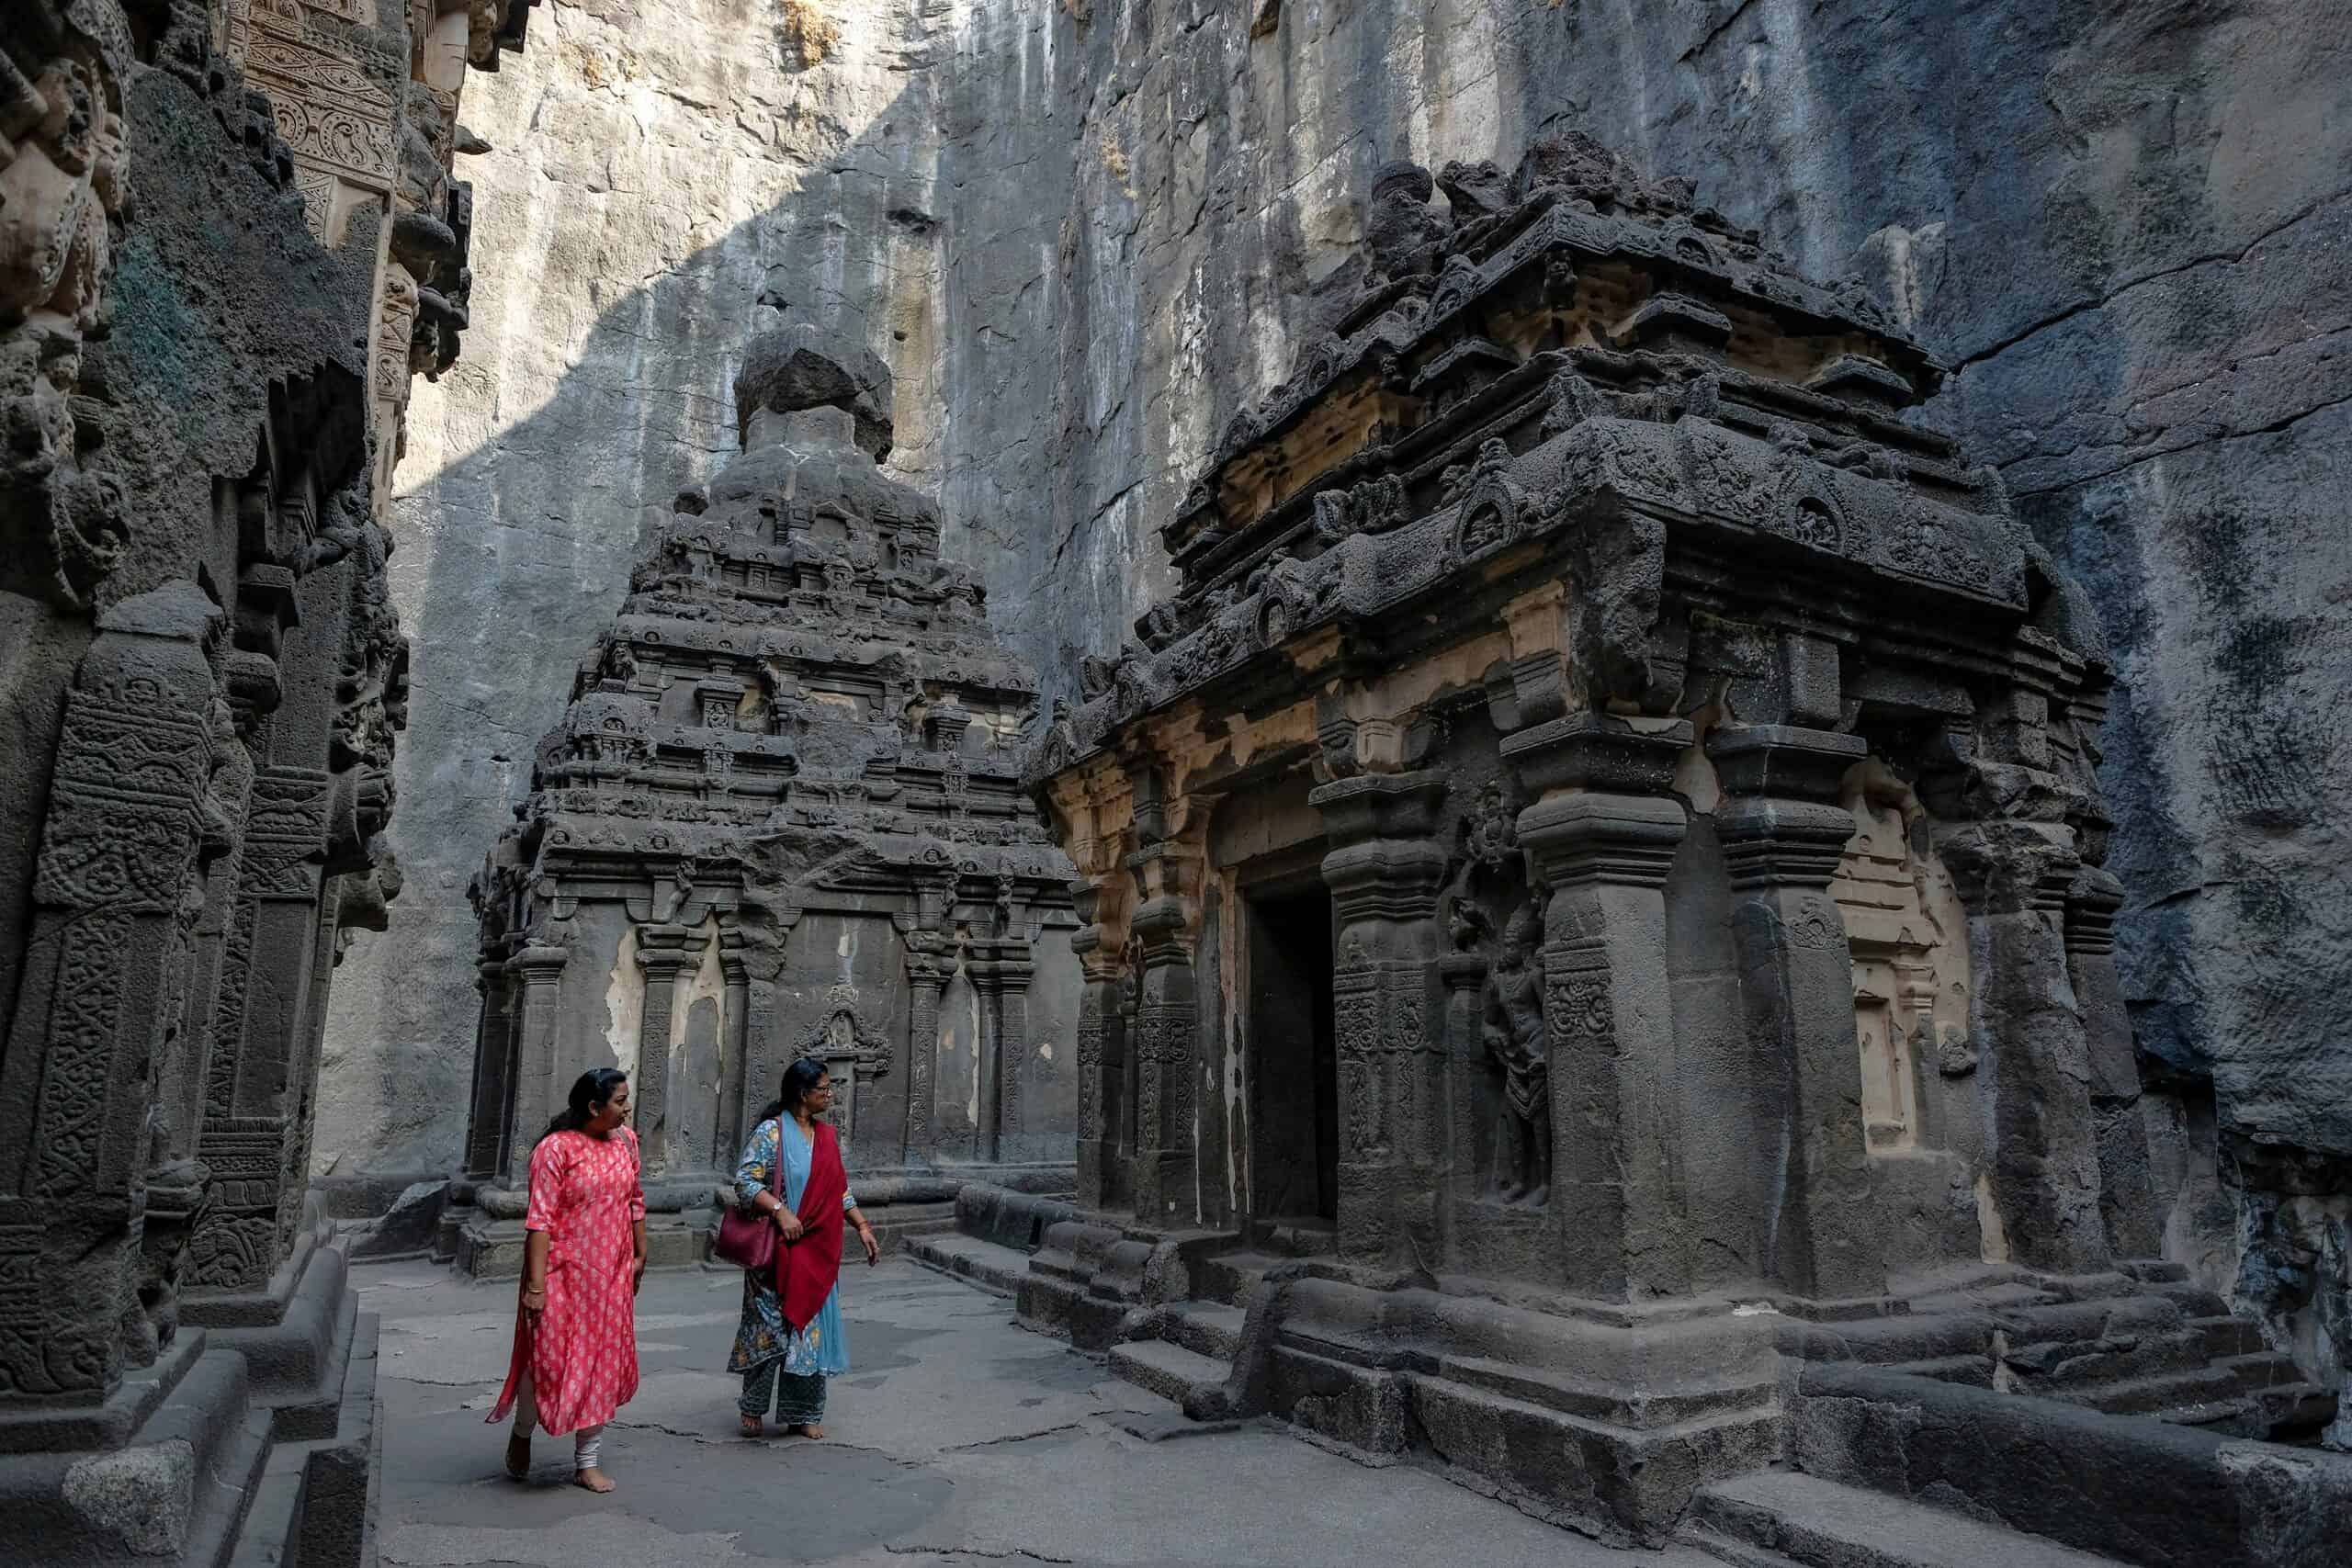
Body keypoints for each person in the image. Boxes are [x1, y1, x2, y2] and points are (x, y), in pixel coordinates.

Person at [489, 1068, 648, 1492]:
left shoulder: (626, 1143)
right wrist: (536, 1289)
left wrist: (640, 1252)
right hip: (560, 1274)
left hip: (610, 1274)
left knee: (602, 1361)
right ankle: (523, 1430)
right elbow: (538, 1222)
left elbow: (635, 1200)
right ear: (594, 1108)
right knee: (546, 1361)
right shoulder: (554, 1150)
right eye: (619, 1101)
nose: (627, 1108)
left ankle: (587, 1461)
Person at [729, 1056, 880, 1438]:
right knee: (771, 1329)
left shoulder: (826, 1136)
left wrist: (861, 1225)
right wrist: (781, 1212)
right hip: (776, 1251)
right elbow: (746, 1182)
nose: (830, 1095)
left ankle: (803, 1412)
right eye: (824, 1089)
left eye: (830, 1088)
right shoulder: (771, 1133)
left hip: (816, 1250)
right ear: (802, 1093)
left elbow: (838, 1190)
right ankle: (753, 1405)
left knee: (808, 1332)